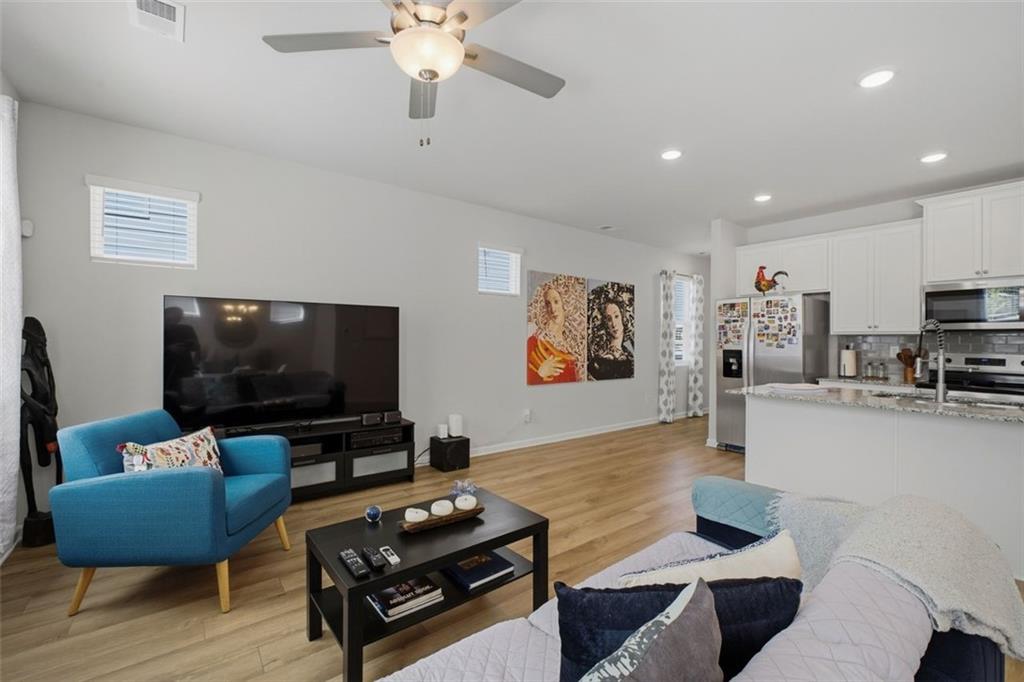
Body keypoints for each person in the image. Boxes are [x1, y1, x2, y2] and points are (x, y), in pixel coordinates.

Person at [527, 284, 579, 384]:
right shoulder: (534, 342)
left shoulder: (574, 344)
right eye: (548, 304)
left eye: (556, 302)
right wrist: (540, 373)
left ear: (565, 303)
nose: (553, 309)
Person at [588, 298, 634, 380]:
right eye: (609, 319)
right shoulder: (598, 359)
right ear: (605, 324)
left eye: (616, 316)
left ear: (623, 317)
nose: (613, 324)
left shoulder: (630, 355)